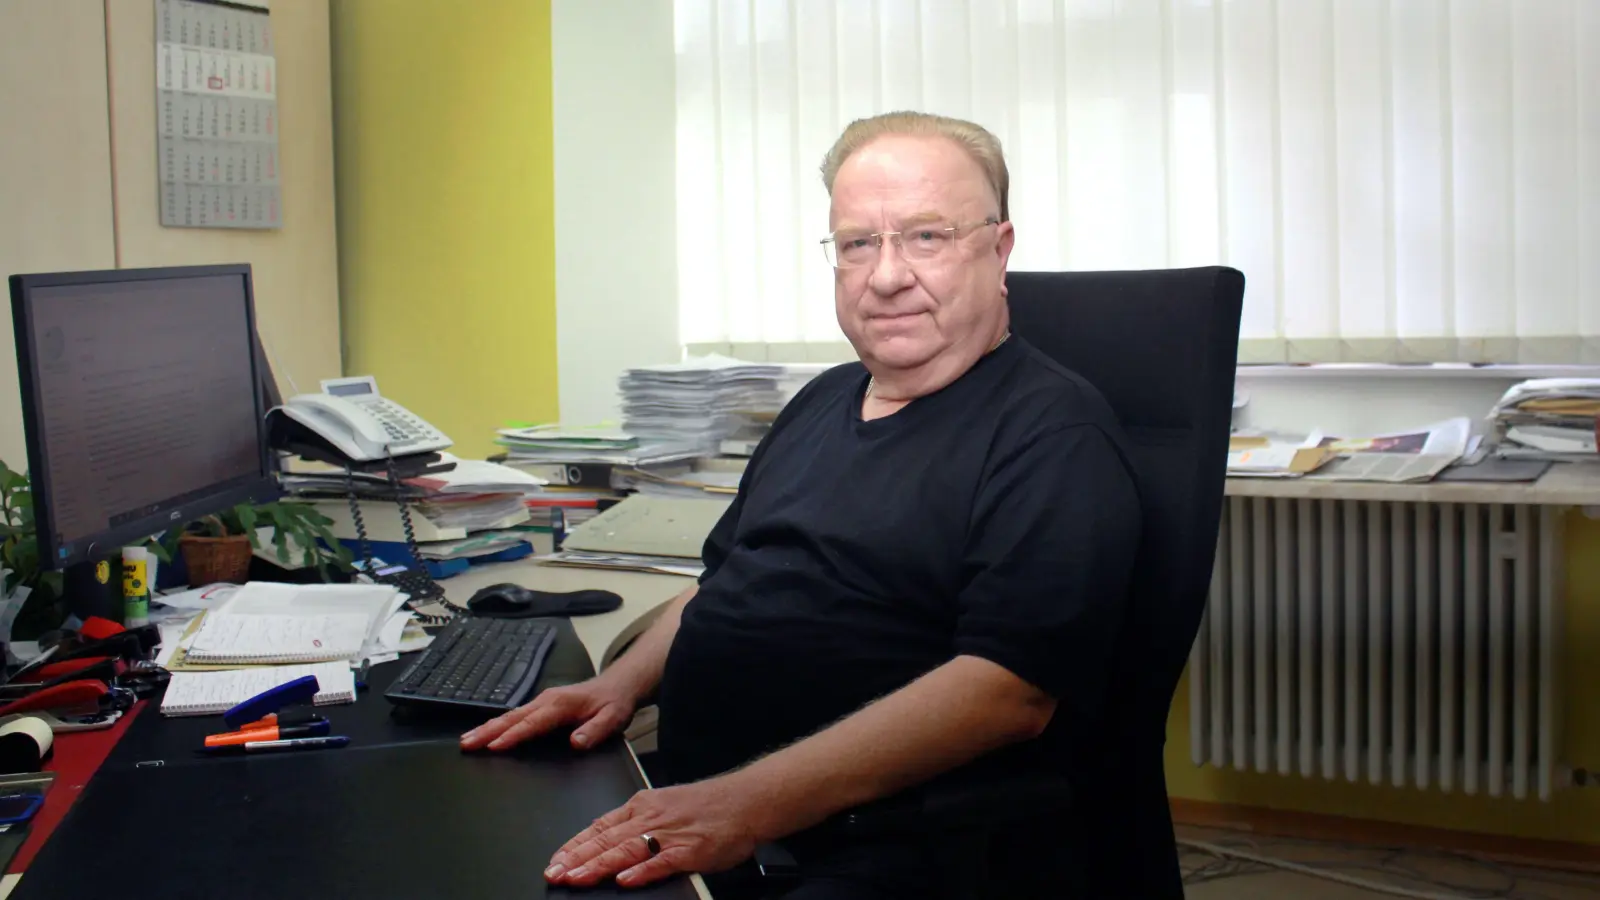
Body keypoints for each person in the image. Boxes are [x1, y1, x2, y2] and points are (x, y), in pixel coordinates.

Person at [460, 111, 1142, 899]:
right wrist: (620, 684)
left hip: (869, 846)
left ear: (1000, 249)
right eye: (858, 244)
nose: (886, 276)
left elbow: (1006, 693)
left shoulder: (1053, 432)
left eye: (927, 237)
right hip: (703, 810)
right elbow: (724, 583)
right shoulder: (821, 400)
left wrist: (739, 807)